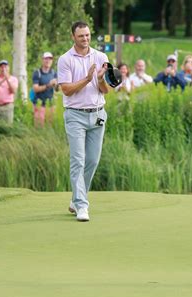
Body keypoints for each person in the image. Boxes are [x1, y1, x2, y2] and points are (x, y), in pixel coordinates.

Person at [57, 21, 110, 222]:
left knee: (92, 161)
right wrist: (88, 79)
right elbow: (66, 89)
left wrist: (101, 79)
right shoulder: (65, 59)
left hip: (97, 114)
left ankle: (76, 198)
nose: (85, 39)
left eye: (87, 35)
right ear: (73, 37)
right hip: (75, 115)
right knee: (77, 160)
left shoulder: (101, 57)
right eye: (81, 36)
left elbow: (106, 91)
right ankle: (81, 205)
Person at [31, 52, 58, 127]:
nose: (48, 61)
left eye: (50, 59)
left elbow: (57, 89)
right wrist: (49, 85)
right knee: (39, 126)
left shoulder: (54, 73)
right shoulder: (37, 73)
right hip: (39, 104)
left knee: (50, 126)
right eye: (46, 58)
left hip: (50, 104)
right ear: (42, 60)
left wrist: (56, 85)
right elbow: (35, 89)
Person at [0, 60, 18, 124]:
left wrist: (7, 79)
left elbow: (13, 91)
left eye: (5, 67)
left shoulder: (13, 79)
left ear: (8, 68)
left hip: (8, 107)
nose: (3, 69)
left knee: (7, 127)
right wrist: (3, 80)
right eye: (2, 67)